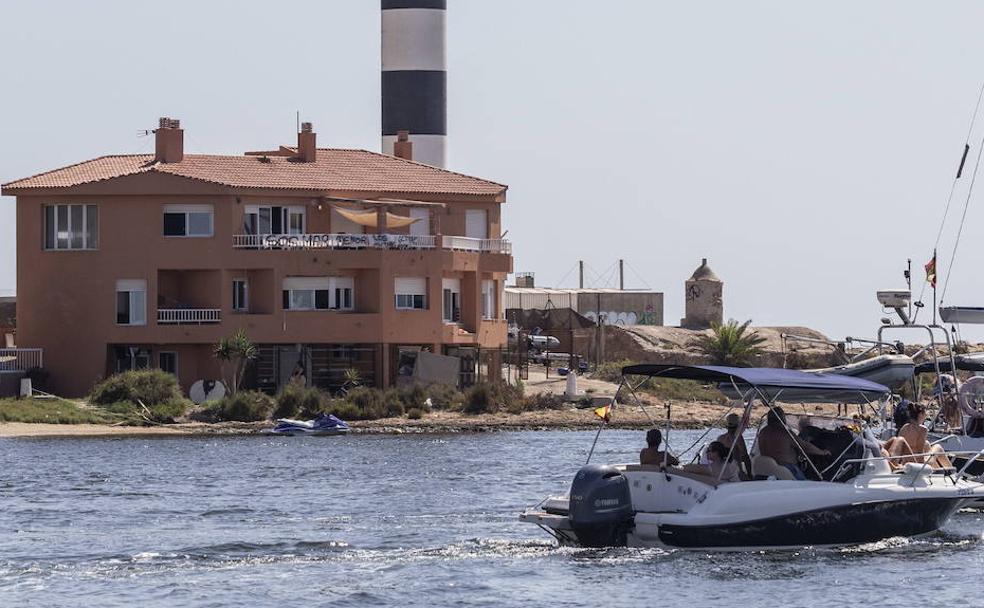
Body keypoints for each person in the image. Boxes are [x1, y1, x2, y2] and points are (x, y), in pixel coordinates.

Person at [756, 407, 830, 480]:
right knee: (807, 483)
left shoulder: (763, 432)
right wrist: (822, 452)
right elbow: (805, 447)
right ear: (782, 418)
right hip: (786, 470)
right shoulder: (785, 433)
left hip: (765, 469)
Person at [886, 403, 953, 469]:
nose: (926, 415)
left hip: (906, 462)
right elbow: (920, 452)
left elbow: (903, 449)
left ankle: (939, 471)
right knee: (938, 447)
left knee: (927, 444)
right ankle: (951, 470)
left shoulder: (904, 428)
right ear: (921, 414)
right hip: (919, 463)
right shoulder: (923, 429)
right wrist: (922, 467)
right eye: (925, 413)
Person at [716, 413, 752, 480]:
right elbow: (746, 457)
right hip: (735, 474)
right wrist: (750, 475)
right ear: (738, 425)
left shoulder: (720, 438)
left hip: (722, 473)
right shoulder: (737, 439)